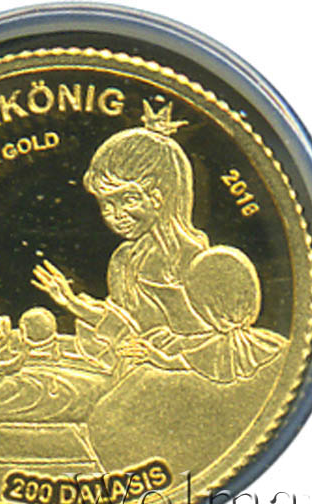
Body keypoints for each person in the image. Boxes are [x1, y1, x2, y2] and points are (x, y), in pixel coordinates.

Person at [32, 100, 287, 383]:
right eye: (106, 204)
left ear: (158, 197)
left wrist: (159, 357)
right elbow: (124, 324)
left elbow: (216, 346)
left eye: (128, 199)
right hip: (140, 371)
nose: (115, 215)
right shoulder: (124, 260)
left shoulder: (202, 264)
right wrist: (70, 301)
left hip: (190, 377)